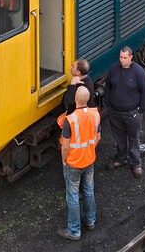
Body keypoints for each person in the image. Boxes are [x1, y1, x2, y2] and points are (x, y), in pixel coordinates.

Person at [58, 86, 101, 241]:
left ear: (76, 99)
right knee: (89, 191)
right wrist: (89, 150)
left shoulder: (70, 120)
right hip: (89, 160)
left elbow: (65, 145)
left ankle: (74, 231)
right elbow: (97, 137)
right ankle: (91, 221)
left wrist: (64, 159)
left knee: (73, 196)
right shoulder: (95, 114)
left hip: (74, 163)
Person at [104, 46, 145, 178]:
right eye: (120, 57)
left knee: (133, 138)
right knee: (118, 136)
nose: (122, 60)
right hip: (115, 112)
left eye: (125, 58)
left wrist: (141, 110)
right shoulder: (113, 69)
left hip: (132, 113)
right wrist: (108, 104)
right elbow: (108, 87)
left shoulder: (138, 72)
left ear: (131, 57)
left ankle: (136, 163)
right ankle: (120, 158)